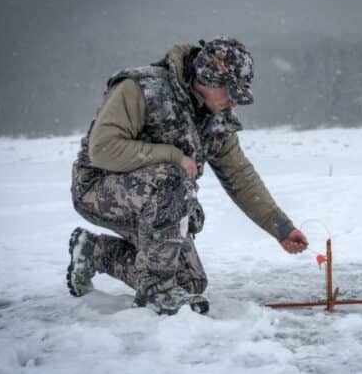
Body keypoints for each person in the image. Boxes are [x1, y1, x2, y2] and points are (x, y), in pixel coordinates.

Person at [68, 37, 308, 315]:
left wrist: (281, 227)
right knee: (173, 179)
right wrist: (172, 156)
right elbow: (103, 150)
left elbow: (239, 176)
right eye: (230, 92)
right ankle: (158, 292)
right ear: (207, 78)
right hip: (98, 191)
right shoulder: (141, 89)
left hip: (157, 203)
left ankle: (93, 251)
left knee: (190, 282)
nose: (234, 102)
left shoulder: (217, 118)